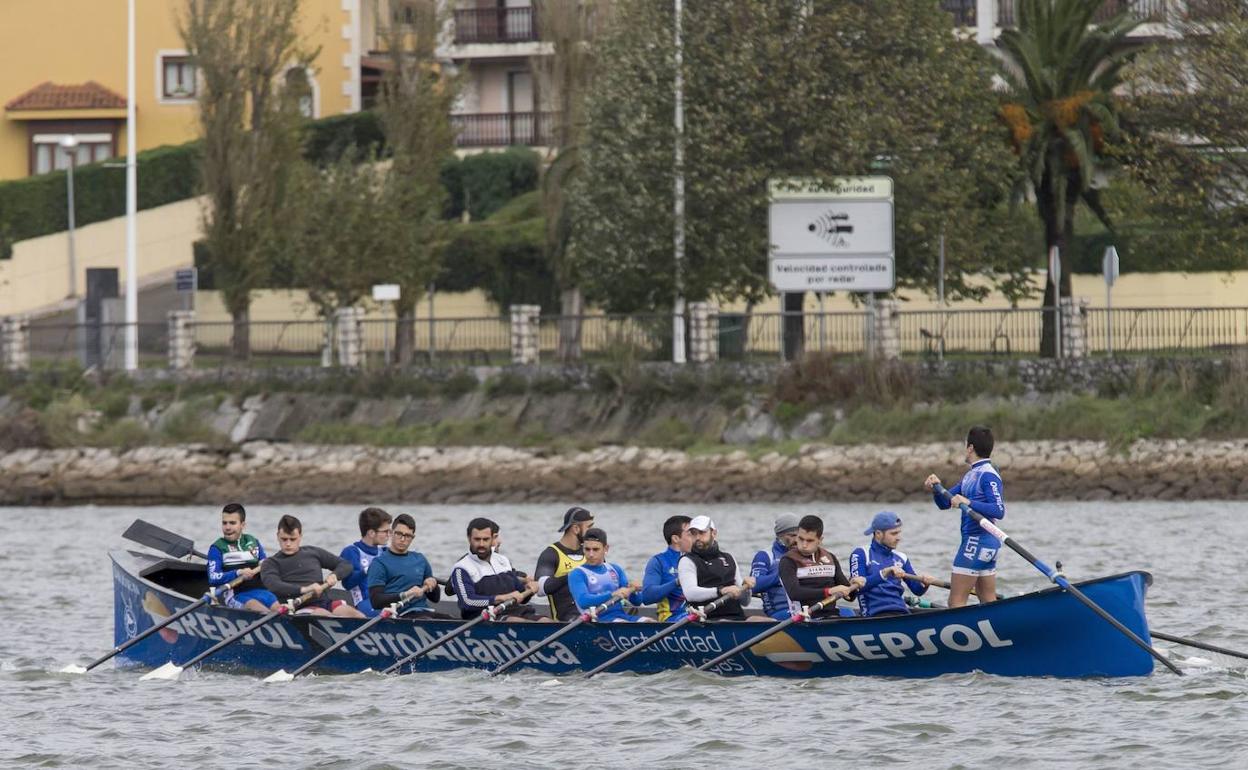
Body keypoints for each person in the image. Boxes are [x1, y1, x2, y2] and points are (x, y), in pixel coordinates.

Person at [924, 425, 1005, 608]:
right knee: (988, 601)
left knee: (956, 602)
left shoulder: (988, 475)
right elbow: (945, 503)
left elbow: (998, 510)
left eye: (965, 445)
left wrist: (968, 502)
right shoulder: (970, 475)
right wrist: (937, 488)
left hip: (976, 542)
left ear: (970, 448)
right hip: (986, 545)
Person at [260, 514, 362, 618]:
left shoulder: (313, 552)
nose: (288, 544)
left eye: (293, 539)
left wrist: (334, 575)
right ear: (277, 536)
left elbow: (346, 564)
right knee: (324, 615)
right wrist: (305, 589)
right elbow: (274, 585)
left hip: (325, 602)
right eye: (284, 539)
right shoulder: (270, 563)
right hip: (298, 607)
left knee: (356, 615)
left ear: (300, 536)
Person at [450, 517, 541, 621]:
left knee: (546, 622)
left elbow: (520, 595)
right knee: (518, 622)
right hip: (484, 617)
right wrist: (501, 598)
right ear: (469, 538)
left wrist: (530, 589)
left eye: (485, 539)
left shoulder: (503, 560)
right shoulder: (461, 568)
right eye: (477, 539)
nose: (481, 544)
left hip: (514, 611)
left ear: (492, 539)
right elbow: (467, 602)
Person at [849, 512, 937, 618]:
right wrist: (884, 573)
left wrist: (925, 583)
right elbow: (857, 589)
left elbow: (917, 590)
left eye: (899, 533)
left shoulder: (901, 557)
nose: (899, 538)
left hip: (901, 612)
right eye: (893, 534)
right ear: (878, 534)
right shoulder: (861, 554)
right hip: (874, 615)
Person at [779, 515, 863, 619]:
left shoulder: (830, 557)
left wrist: (854, 584)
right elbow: (795, 593)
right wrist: (829, 591)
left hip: (832, 616)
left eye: (809, 540)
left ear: (820, 540)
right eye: (801, 539)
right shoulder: (788, 560)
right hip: (804, 619)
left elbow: (850, 597)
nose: (804, 545)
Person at [366, 513, 450, 618]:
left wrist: (433, 585)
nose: (402, 539)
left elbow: (435, 599)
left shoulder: (420, 559)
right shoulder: (379, 563)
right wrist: (406, 594)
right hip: (397, 615)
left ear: (413, 537)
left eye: (407, 536)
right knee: (425, 619)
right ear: (391, 533)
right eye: (399, 534)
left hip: (422, 611)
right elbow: (376, 602)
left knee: (450, 619)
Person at [677, 515, 757, 621]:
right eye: (693, 534)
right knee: (726, 623)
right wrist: (721, 591)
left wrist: (745, 588)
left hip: (736, 618)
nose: (697, 538)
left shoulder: (729, 558)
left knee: (767, 621)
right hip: (707, 620)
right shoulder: (687, 561)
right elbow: (690, 593)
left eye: (701, 533)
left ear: (714, 533)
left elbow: (745, 602)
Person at [567, 528, 651, 623]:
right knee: (623, 625)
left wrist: (635, 590)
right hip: (596, 620)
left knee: (650, 622)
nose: (591, 554)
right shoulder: (577, 574)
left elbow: (637, 602)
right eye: (587, 549)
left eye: (595, 549)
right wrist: (612, 594)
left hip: (621, 616)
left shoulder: (615, 569)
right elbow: (583, 601)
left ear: (606, 548)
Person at [206, 503, 277, 612]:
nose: (228, 527)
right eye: (224, 523)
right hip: (235, 594)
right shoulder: (217, 548)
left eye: (232, 523)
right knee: (263, 612)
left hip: (260, 591)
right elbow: (213, 578)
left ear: (242, 525)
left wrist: (266, 565)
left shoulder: (253, 542)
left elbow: (264, 564)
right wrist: (238, 573)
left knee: (280, 610)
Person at [534, 506, 593, 621]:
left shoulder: (591, 552)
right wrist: (573, 575)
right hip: (566, 620)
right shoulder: (551, 554)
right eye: (589, 527)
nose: (593, 532)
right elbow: (540, 588)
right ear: (576, 529)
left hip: (594, 614)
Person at [340, 507, 392, 618]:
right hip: (365, 602)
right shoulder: (351, 552)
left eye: (390, 531)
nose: (389, 535)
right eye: (385, 531)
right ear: (371, 533)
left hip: (387, 599)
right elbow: (347, 584)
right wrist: (366, 571)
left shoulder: (385, 552)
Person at [640, 515, 692, 621]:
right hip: (672, 618)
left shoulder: (700, 559)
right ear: (676, 539)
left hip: (699, 613)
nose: (697, 537)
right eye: (691, 534)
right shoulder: (658, 562)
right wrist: (677, 582)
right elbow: (647, 597)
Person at [751, 513, 801, 620]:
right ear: (779, 536)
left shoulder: (805, 554)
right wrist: (783, 575)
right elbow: (753, 586)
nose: (797, 540)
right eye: (792, 535)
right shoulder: (765, 555)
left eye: (799, 536)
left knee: (846, 612)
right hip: (780, 611)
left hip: (806, 608)